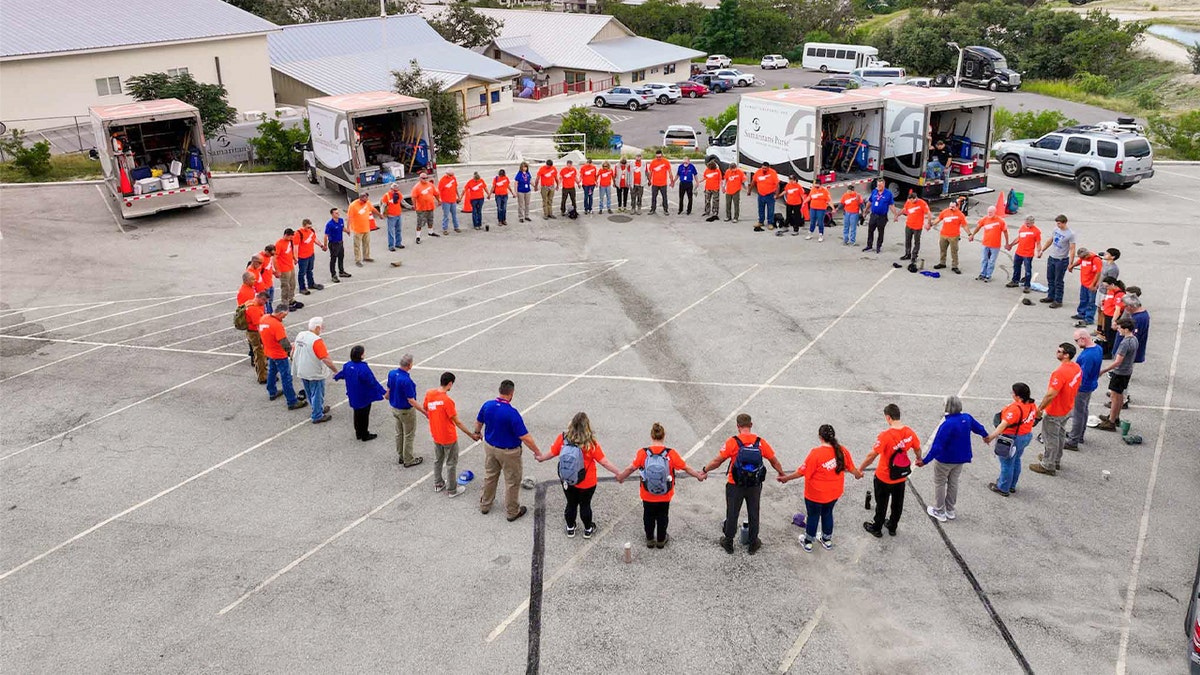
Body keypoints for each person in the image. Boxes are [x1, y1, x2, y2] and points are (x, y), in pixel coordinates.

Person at [700, 413, 785, 555]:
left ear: (738, 426)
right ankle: (753, 543)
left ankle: (728, 542)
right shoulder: (760, 442)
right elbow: (773, 460)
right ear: (751, 425)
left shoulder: (733, 442)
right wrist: (782, 474)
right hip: (754, 485)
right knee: (754, 512)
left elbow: (717, 461)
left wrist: (704, 470)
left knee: (732, 513)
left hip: (735, 484)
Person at [615, 422, 706, 549]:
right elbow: (686, 467)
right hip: (665, 493)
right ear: (664, 436)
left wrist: (621, 476)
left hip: (647, 493)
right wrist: (698, 476)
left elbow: (631, 468)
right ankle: (661, 540)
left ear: (651, 436)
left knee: (648, 515)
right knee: (663, 515)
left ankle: (650, 539)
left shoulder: (643, 453)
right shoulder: (670, 454)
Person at [536, 412, 621, 538]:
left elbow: (553, 453)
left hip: (568, 479)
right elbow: (604, 462)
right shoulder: (590, 443)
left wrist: (541, 458)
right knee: (585, 505)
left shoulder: (563, 438)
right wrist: (619, 473)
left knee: (571, 504)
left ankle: (570, 527)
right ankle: (588, 529)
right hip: (587, 482)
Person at [777, 424, 861, 552]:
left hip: (815, 494)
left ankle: (808, 542)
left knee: (813, 516)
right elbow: (852, 468)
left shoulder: (816, 453)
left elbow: (802, 472)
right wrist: (858, 475)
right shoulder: (842, 451)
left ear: (820, 437)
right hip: (833, 493)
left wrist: (786, 478)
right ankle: (827, 540)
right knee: (827, 514)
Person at [474, 379, 543, 522]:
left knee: (490, 476)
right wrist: (537, 451)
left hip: (490, 447)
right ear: (511, 394)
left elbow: (479, 420)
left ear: (500, 391)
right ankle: (512, 511)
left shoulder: (488, 405)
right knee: (512, 481)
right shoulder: (512, 413)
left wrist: (477, 432)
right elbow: (525, 437)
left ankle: (485, 504)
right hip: (508, 452)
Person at [922, 396, 988, 522]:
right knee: (953, 482)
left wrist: (925, 460)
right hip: (961, 458)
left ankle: (939, 510)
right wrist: (985, 435)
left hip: (945, 459)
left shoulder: (947, 424)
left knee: (940, 483)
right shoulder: (967, 418)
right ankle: (950, 510)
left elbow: (937, 446)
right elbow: (978, 427)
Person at [859, 404, 921, 537]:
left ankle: (877, 527)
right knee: (897, 504)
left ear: (888, 418)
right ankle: (892, 526)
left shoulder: (885, 436)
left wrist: (860, 469)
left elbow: (872, 456)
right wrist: (919, 458)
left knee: (881, 503)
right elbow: (917, 448)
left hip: (884, 477)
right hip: (900, 476)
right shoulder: (909, 432)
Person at [423, 371, 480, 498]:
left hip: (436, 434)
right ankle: (452, 490)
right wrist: (471, 435)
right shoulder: (447, 401)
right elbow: (457, 422)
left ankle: (438, 483)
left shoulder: (430, 394)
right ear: (449, 383)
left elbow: (425, 408)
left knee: (438, 460)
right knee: (451, 463)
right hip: (448, 437)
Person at [1029, 342, 1082, 476]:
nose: (1056, 352)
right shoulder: (1076, 367)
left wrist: (1040, 409)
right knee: (1060, 434)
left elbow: (1051, 394)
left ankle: (1048, 465)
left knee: (1050, 437)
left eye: (1059, 351)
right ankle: (1055, 459)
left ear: (1066, 355)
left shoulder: (1059, 372)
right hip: (1068, 407)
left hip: (1056, 410)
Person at [985, 382, 1037, 496]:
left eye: (1013, 393)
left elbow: (1003, 425)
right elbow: (1036, 416)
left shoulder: (1015, 408)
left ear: (1018, 396)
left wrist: (990, 437)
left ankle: (1003, 487)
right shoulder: (1031, 404)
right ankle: (1012, 485)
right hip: (1025, 436)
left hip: (1012, 438)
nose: (1012, 394)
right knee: (1016, 460)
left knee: (1007, 463)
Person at [334, 345, 386, 441]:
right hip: (363, 396)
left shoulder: (348, 365)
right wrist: (383, 392)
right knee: (364, 416)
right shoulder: (363, 368)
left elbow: (343, 373)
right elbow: (372, 382)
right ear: (361, 356)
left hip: (353, 395)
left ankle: (358, 433)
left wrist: (336, 376)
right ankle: (364, 434)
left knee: (357, 414)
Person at [292, 316, 337, 424]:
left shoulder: (301, 335)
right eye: (321, 327)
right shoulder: (316, 341)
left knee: (308, 390)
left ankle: (317, 408)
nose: (322, 329)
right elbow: (325, 358)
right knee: (317, 391)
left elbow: (293, 351)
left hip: (301, 369)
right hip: (314, 371)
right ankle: (317, 414)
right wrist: (335, 370)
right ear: (317, 328)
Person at [259, 307, 306, 411]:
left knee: (272, 372)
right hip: (279, 354)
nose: (284, 318)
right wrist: (291, 352)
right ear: (280, 313)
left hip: (269, 351)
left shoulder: (264, 319)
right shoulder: (276, 325)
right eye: (284, 316)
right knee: (286, 377)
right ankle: (292, 401)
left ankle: (272, 392)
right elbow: (283, 342)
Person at [1096, 318, 1138, 432]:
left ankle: (1111, 421)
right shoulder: (1134, 339)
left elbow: (1118, 361)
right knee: (1119, 396)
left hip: (1120, 372)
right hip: (1127, 371)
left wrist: (1103, 370)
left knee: (1114, 397)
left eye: (1120, 328)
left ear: (1125, 329)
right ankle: (1115, 416)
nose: (1118, 330)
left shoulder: (1125, 343)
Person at [386, 353, 429, 467]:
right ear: (409, 365)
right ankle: (408, 459)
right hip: (405, 410)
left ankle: (401, 455)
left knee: (399, 433)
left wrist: (386, 396)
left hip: (395, 408)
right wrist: (425, 412)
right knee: (409, 434)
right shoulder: (406, 380)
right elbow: (411, 400)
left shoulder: (392, 374)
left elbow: (389, 389)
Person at [1065, 329, 1103, 450]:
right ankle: (1079, 434)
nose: (1076, 343)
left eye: (1077, 340)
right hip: (1090, 385)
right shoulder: (1098, 348)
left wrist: (1071, 387)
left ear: (1083, 338)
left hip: (1082, 388)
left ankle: (1073, 440)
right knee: (1083, 410)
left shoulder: (1087, 356)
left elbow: (1082, 375)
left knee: (1078, 413)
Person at [1039, 214, 1076, 308]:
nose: (1058, 225)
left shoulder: (1070, 234)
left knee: (1058, 281)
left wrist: (1071, 263)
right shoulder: (1055, 230)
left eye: (1059, 223)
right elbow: (1050, 241)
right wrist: (1042, 250)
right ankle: (1050, 296)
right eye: (1057, 223)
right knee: (1050, 278)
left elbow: (1072, 249)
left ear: (1064, 222)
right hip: (1052, 257)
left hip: (1061, 259)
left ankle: (1058, 300)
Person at [968, 205, 1008, 282]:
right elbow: (978, 227)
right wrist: (972, 235)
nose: (989, 214)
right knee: (984, 259)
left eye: (991, 212)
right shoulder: (984, 219)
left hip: (995, 245)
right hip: (985, 243)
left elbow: (1005, 232)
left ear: (995, 212)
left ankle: (988, 275)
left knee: (992, 261)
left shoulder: (1000, 221)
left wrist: (1007, 243)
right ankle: (982, 274)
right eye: (988, 212)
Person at [931, 196, 968, 274]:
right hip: (943, 234)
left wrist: (969, 234)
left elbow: (964, 225)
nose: (951, 208)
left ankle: (955, 266)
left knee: (954, 251)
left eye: (953, 207)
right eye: (950, 206)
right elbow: (939, 219)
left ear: (957, 206)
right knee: (942, 250)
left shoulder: (960, 215)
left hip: (954, 236)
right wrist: (932, 224)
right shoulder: (945, 212)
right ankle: (942, 263)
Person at [1006, 215, 1041, 291]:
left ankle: (1027, 285)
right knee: (1016, 267)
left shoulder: (1036, 231)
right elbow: (1019, 238)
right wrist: (1011, 245)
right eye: (1026, 223)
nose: (1027, 224)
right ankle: (1015, 280)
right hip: (1019, 252)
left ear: (1032, 223)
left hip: (1028, 254)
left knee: (1028, 269)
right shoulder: (1022, 228)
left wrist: (1039, 251)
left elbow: (1038, 243)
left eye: (1028, 223)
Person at [1070, 247, 1103, 326]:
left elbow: (1098, 273)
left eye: (1083, 258)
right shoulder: (1084, 258)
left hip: (1091, 285)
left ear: (1087, 255)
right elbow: (1079, 261)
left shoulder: (1095, 260)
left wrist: (1093, 284)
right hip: (1084, 283)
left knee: (1091, 302)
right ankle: (1081, 313)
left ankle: (1089, 318)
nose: (1082, 259)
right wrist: (1072, 265)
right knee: (1083, 299)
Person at [864, 179, 898, 254]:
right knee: (870, 230)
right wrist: (865, 211)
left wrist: (895, 215)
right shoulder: (874, 192)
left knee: (880, 232)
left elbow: (891, 205)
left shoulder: (888, 194)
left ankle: (878, 246)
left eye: (880, 185)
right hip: (873, 215)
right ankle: (869, 245)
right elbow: (870, 202)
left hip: (882, 216)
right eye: (878, 185)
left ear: (884, 185)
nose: (878, 186)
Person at [347, 193, 381, 267]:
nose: (366, 201)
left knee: (366, 243)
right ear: (361, 198)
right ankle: (357, 260)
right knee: (357, 245)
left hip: (366, 228)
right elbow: (349, 217)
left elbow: (372, 209)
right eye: (365, 200)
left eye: (367, 199)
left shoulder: (367, 203)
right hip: (357, 229)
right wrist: (348, 228)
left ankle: (366, 257)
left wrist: (379, 215)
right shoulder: (353, 206)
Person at [897, 191, 930, 263]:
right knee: (907, 240)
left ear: (915, 198)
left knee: (916, 242)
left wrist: (928, 224)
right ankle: (907, 254)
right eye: (910, 200)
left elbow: (928, 213)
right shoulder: (909, 202)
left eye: (912, 200)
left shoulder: (922, 203)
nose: (911, 202)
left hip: (917, 227)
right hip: (909, 225)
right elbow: (904, 209)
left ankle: (914, 256)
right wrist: (897, 215)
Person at [294, 219, 324, 294]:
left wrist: (321, 245)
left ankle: (311, 284)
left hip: (311, 254)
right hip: (303, 257)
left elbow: (314, 239)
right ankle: (302, 288)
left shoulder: (311, 231)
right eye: (308, 227)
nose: (309, 229)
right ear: (303, 226)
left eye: (310, 227)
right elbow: (295, 246)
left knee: (310, 270)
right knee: (302, 273)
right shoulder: (298, 234)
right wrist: (295, 258)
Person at [1098, 278, 1126, 358]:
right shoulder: (1110, 291)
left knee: (1111, 336)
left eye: (1106, 286)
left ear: (1112, 285)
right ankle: (1107, 350)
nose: (1106, 288)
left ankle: (1111, 352)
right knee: (1107, 334)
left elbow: (1118, 309)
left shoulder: (1119, 295)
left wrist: (1114, 321)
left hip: (1112, 316)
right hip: (1107, 315)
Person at [244, 290, 268, 384]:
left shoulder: (249, 303)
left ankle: (263, 373)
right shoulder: (253, 308)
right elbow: (258, 325)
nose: (265, 303)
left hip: (250, 332)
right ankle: (262, 376)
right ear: (260, 298)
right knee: (259, 355)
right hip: (254, 333)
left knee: (258, 353)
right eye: (264, 301)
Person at [275, 228, 301, 312]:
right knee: (285, 286)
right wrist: (277, 270)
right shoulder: (279, 244)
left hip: (290, 266)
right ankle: (285, 303)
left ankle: (291, 300)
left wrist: (294, 258)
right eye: (290, 237)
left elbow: (290, 251)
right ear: (286, 235)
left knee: (292, 284)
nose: (292, 238)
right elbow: (274, 258)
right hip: (283, 269)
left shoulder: (289, 241)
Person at [1095, 248, 1121, 331]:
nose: (1105, 254)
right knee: (1099, 310)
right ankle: (1098, 328)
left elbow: (1111, 282)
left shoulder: (1113, 269)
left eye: (1107, 254)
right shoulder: (1105, 264)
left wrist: (1108, 294)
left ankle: (1102, 330)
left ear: (1113, 257)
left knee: (1103, 311)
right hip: (1100, 289)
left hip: (1105, 293)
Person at [411, 172, 439, 244]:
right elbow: (413, 197)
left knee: (430, 220)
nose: (425, 179)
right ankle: (418, 236)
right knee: (420, 223)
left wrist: (439, 200)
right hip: (421, 208)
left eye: (426, 178)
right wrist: (414, 206)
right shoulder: (416, 187)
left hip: (430, 206)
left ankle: (431, 232)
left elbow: (435, 194)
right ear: (420, 178)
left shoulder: (430, 185)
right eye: (423, 178)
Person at [751, 164, 780, 233]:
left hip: (770, 195)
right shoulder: (758, 172)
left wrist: (776, 194)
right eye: (762, 168)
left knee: (770, 210)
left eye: (765, 169)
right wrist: (749, 190)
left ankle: (770, 223)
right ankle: (761, 221)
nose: (763, 170)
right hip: (760, 194)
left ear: (768, 168)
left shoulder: (773, 173)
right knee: (760, 209)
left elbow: (777, 185)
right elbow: (753, 181)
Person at [324, 208, 350, 282]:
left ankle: (341, 271)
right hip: (333, 244)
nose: (338, 214)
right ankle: (333, 275)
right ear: (332, 214)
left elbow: (342, 228)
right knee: (333, 259)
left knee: (341, 257)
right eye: (336, 213)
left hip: (340, 242)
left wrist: (347, 231)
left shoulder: (341, 220)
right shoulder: (329, 224)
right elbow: (326, 235)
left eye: (338, 213)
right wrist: (325, 245)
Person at [380, 183, 405, 251]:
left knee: (398, 230)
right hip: (391, 216)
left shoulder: (399, 194)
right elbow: (383, 205)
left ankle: (398, 243)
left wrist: (411, 207)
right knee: (391, 231)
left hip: (398, 215)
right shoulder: (387, 196)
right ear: (391, 189)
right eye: (394, 190)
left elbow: (403, 202)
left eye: (397, 190)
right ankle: (391, 246)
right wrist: (381, 213)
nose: (396, 192)